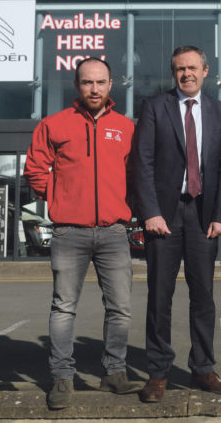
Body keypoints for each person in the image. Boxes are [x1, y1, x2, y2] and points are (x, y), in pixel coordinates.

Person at [24, 57, 142, 410]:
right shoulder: (54, 124)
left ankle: (114, 373)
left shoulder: (125, 127)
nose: (94, 88)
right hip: (68, 232)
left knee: (120, 308)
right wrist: (59, 197)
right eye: (87, 82)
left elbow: (135, 175)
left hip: (114, 232)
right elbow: (34, 169)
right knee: (63, 308)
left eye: (101, 82)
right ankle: (62, 377)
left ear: (111, 85)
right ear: (77, 86)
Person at [131, 45, 221, 403]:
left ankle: (203, 368)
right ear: (173, 73)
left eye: (192, 67)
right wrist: (150, 211)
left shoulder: (219, 112)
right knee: (160, 296)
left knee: (203, 295)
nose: (186, 74)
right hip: (164, 213)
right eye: (179, 69)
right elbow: (141, 163)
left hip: (203, 214)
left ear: (206, 71)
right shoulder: (154, 107)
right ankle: (158, 374)